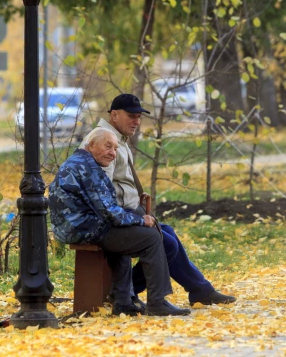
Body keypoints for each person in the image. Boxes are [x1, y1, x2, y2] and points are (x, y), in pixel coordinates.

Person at [96, 93, 236, 307]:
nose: (137, 121)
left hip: (129, 211)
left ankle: (200, 289)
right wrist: (133, 215)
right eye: (131, 116)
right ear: (114, 115)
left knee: (167, 232)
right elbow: (102, 189)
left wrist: (139, 204)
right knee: (166, 243)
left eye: (139, 117)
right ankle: (123, 291)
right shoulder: (105, 141)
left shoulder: (117, 139)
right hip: (115, 217)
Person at [49, 128, 190, 317]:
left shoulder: (80, 162)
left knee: (125, 230)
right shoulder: (88, 168)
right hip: (83, 229)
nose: (113, 153)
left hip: (76, 226)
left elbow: (107, 210)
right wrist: (140, 219)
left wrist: (130, 221)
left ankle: (123, 301)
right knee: (151, 237)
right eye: (108, 147)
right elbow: (108, 211)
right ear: (91, 145)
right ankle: (157, 301)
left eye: (115, 149)